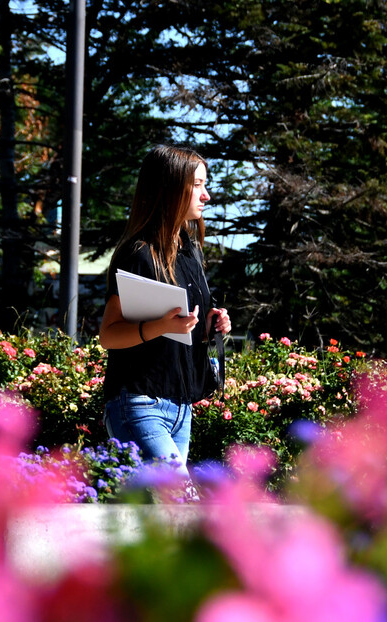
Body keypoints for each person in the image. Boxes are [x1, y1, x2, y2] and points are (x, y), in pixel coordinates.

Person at [99, 144, 231, 501]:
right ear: (172, 188)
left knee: (159, 518)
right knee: (181, 502)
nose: (207, 195)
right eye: (198, 185)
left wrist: (211, 325)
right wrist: (161, 326)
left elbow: (182, 331)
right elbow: (108, 335)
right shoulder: (138, 254)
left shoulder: (190, 250)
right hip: (139, 403)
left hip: (181, 407)